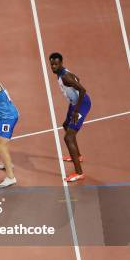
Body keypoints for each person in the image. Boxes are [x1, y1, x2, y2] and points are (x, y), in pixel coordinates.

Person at [49, 53, 91, 182]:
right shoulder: (62, 73)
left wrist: (76, 110)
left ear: (61, 63)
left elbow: (83, 90)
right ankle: (77, 156)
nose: (53, 67)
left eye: (56, 64)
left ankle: (79, 173)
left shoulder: (65, 77)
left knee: (68, 138)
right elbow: (77, 78)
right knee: (66, 126)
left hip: (81, 104)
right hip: (74, 103)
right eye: (52, 64)